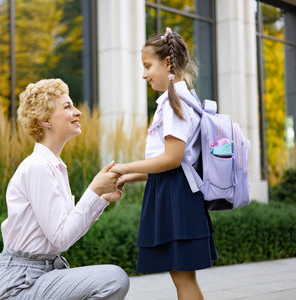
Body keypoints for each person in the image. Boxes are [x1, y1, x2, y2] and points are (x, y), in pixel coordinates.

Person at [0, 78, 129, 300]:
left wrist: (100, 197)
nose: (78, 112)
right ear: (45, 120)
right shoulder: (38, 167)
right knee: (113, 278)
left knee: (114, 279)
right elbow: (61, 239)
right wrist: (93, 189)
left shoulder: (55, 167)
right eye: (67, 106)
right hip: (17, 286)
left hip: (39, 277)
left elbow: (64, 233)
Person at [111, 28, 218, 300]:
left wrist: (124, 166)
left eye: (148, 66)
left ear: (168, 64)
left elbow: (173, 159)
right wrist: (133, 176)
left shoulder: (174, 103)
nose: (144, 74)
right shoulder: (181, 100)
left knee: (183, 278)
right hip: (175, 193)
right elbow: (173, 164)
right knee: (181, 276)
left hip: (176, 198)